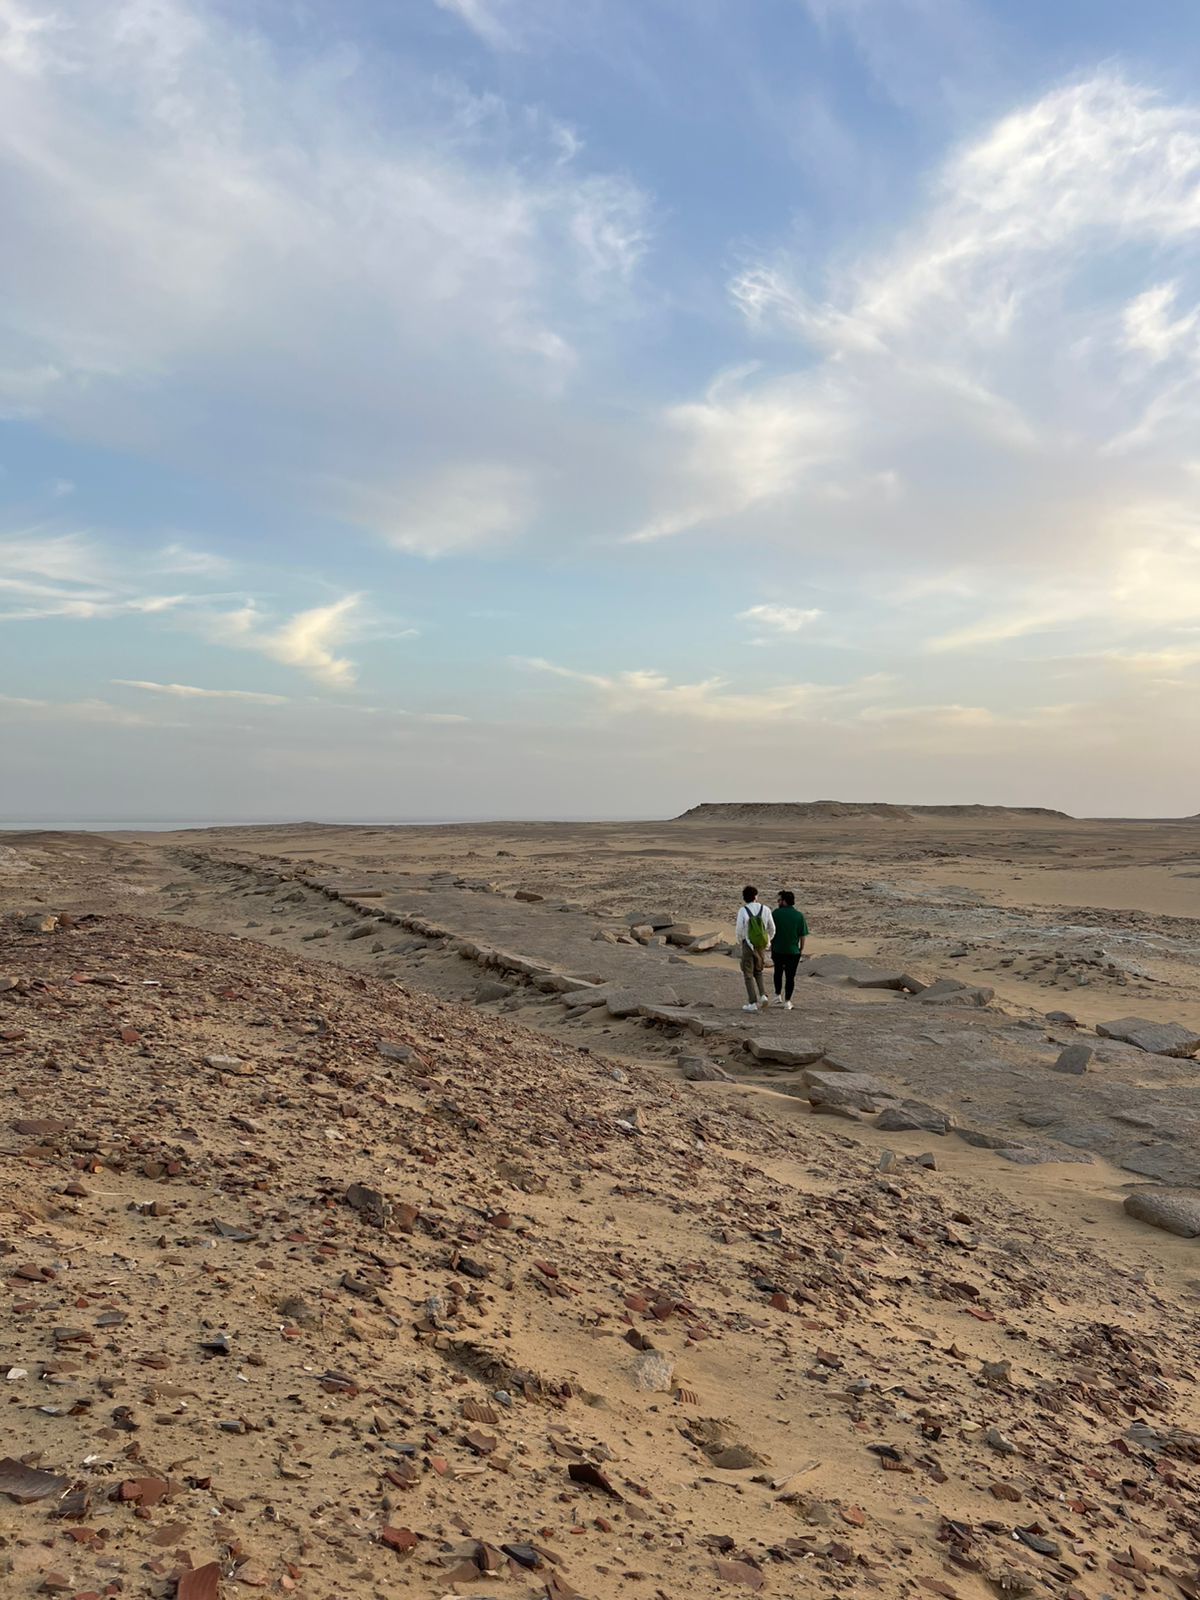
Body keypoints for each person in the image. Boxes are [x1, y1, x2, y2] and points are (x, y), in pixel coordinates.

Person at [735, 885, 775, 1011]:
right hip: (761, 944)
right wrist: (768, 940)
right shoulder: (765, 909)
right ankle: (763, 995)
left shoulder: (743, 910)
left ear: (744, 898)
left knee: (748, 973)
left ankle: (752, 1002)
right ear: (756, 896)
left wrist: (740, 940)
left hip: (748, 943)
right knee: (758, 970)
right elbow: (772, 928)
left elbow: (739, 929)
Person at [770, 889, 809, 1010]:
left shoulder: (775, 913)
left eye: (780, 900)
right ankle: (788, 1000)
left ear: (785, 901)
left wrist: (771, 943)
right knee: (790, 976)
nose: (778, 902)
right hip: (793, 951)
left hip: (777, 949)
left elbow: (770, 930)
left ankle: (777, 994)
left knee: (778, 972)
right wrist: (801, 948)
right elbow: (802, 934)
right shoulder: (799, 915)